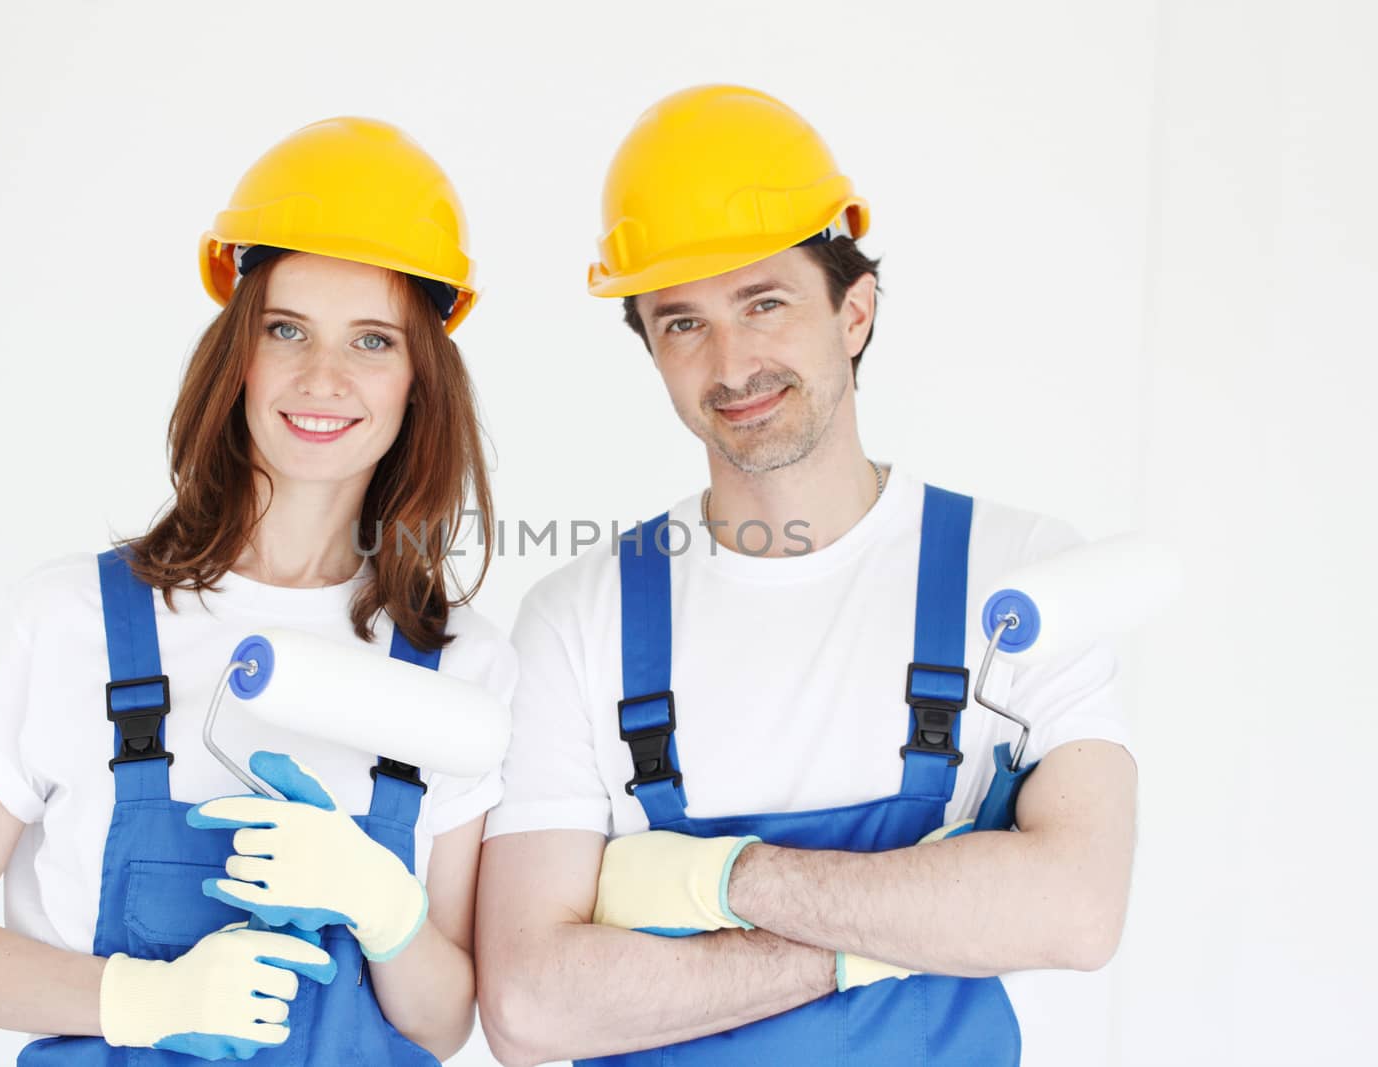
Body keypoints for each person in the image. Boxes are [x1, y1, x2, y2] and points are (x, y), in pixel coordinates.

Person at [475, 84, 1138, 1067]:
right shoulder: (580, 619)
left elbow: (1076, 908)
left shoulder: (1018, 577)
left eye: (764, 302)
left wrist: (725, 880)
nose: (731, 362)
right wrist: (911, 918)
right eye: (681, 323)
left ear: (855, 310)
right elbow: (532, 1006)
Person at [0, 117, 515, 1065]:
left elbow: (442, 1019)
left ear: (420, 380)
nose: (323, 376)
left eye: (374, 340)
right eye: (287, 328)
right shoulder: (75, 622)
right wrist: (145, 996)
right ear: (240, 356)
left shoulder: (460, 667)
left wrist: (384, 909)